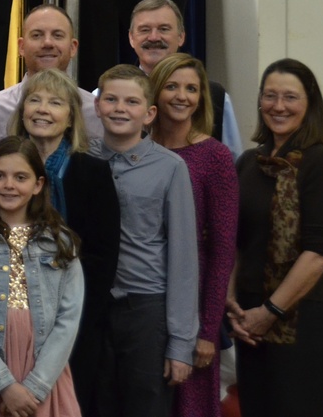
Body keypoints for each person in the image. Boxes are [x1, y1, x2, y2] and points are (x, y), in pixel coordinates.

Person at [226, 59, 323, 417]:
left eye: (290, 97)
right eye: (270, 96)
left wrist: (271, 311)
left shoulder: (321, 162)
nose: (278, 106)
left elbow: (319, 253)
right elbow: (234, 241)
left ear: (309, 104)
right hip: (248, 317)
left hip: (302, 317)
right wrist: (231, 301)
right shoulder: (248, 162)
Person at [0, 137, 84, 417]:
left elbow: (68, 318)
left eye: (20, 177)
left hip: (43, 371)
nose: (9, 185)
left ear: (38, 185)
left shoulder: (60, 241)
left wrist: (35, 386)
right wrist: (3, 384)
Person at [9, 69, 119, 416]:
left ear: (71, 116)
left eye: (55, 102)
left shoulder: (92, 172)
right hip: (11, 317)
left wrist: (73, 317)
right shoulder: (1, 167)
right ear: (22, 110)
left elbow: (103, 256)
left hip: (75, 319)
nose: (42, 109)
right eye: (35, 100)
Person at [91, 64, 198, 417]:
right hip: (93, 306)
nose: (120, 108)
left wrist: (181, 343)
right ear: (97, 106)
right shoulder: (81, 160)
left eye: (132, 102)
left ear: (150, 113)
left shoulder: (170, 168)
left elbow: (183, 258)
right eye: (111, 99)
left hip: (146, 310)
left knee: (146, 406)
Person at [148, 54, 238, 417]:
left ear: (201, 97)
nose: (181, 96)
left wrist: (207, 330)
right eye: (172, 86)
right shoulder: (137, 148)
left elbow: (222, 250)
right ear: (156, 92)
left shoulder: (215, 157)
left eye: (191, 89)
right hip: (145, 301)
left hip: (196, 303)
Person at [128, 0, 242, 159]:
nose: (154, 37)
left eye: (164, 29)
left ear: (181, 36)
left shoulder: (215, 96)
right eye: (145, 29)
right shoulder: (107, 94)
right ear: (131, 38)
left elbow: (234, 163)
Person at [0, 5, 102, 148]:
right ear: (21, 46)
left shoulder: (97, 112)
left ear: (73, 47)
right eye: (37, 35)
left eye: (57, 35)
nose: (47, 43)